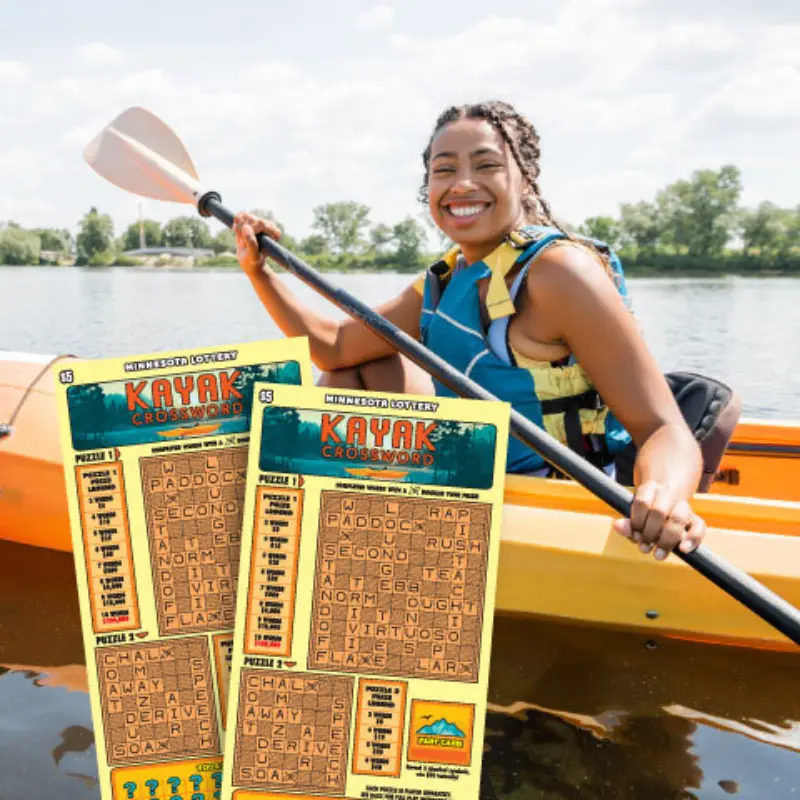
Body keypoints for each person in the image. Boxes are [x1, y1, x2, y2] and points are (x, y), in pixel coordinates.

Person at [232, 100, 707, 562]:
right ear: (427, 188)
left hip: (552, 500)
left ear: (525, 180)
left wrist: (665, 494)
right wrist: (260, 273)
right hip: (473, 481)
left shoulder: (560, 273)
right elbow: (335, 347)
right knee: (354, 373)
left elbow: (663, 427)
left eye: (486, 166)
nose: (462, 184)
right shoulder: (449, 276)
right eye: (444, 170)